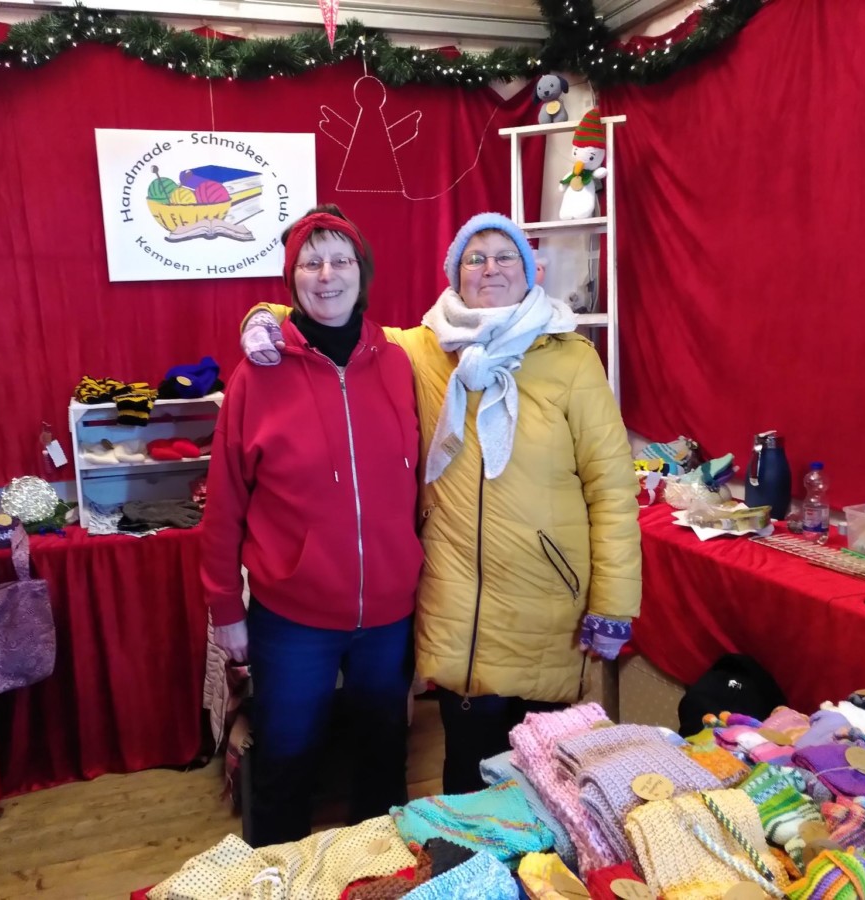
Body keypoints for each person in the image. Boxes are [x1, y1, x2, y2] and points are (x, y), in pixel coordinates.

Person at [240, 213, 641, 794]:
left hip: (549, 600)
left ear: (530, 271)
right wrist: (265, 317)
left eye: (505, 257)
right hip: (460, 609)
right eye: (474, 258)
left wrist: (615, 601)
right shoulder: (423, 349)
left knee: (549, 785)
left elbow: (611, 486)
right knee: (468, 782)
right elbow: (332, 322)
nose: (490, 268)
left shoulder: (571, 358)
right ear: (455, 273)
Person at [201, 205, 423, 844]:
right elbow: (225, 504)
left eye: (341, 260)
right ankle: (276, 875)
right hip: (292, 614)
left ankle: (378, 873)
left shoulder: (397, 362)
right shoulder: (257, 373)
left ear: (362, 272)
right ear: (291, 277)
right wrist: (226, 610)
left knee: (383, 758)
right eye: (311, 262)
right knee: (287, 762)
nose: (327, 276)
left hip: (387, 612)